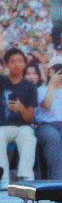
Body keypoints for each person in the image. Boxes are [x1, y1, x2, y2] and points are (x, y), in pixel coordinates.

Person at [0, 48, 38, 190]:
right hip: (1, 126)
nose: (16, 64)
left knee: (28, 134)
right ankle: (3, 178)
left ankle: (26, 176)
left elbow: (30, 118)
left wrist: (21, 108)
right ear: (7, 64)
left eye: (20, 61)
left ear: (25, 64)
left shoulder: (30, 87)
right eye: (12, 61)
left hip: (21, 127)